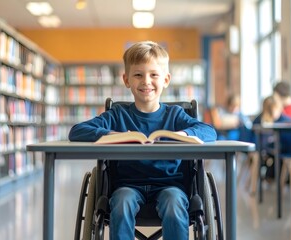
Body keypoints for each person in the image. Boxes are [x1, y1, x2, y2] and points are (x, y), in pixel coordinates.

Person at [68, 41, 217, 240]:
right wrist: (111, 135)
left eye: (154, 74)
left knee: (174, 202)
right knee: (121, 202)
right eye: (138, 75)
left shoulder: (176, 115)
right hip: (127, 186)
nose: (146, 81)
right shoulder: (117, 115)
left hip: (170, 186)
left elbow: (209, 131)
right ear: (126, 80)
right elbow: (77, 131)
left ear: (166, 79)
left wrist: (183, 135)